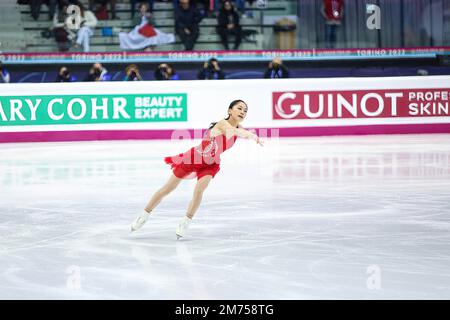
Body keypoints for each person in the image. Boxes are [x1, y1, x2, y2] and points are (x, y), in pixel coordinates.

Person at [130, 99, 264, 238]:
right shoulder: (222, 124)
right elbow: (235, 132)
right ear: (230, 111)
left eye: (245, 110)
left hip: (211, 164)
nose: (243, 112)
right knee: (168, 188)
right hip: (194, 158)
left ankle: (186, 221)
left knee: (199, 190)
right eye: (239, 108)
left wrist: (252, 136)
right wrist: (252, 135)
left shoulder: (239, 130)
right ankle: (144, 215)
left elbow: (240, 132)